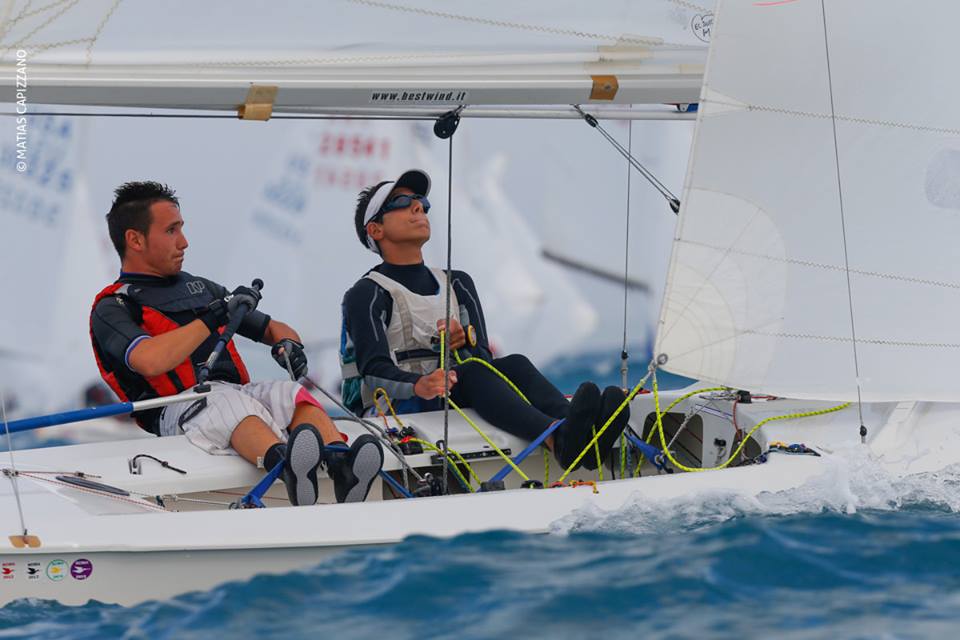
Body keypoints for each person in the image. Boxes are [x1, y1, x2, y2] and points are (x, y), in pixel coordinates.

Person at [90, 181, 384, 505]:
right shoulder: (113, 307)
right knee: (227, 403)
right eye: (171, 230)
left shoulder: (201, 289)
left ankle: (342, 466)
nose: (184, 242)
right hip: (175, 410)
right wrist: (213, 317)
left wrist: (289, 344)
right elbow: (150, 360)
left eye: (181, 228)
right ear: (135, 240)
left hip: (233, 395)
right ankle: (287, 469)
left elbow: (275, 328)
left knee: (288, 393)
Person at [340, 169, 630, 472]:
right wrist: (420, 385)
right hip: (398, 408)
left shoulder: (458, 283)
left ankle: (578, 434)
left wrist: (464, 342)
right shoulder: (367, 293)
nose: (419, 207)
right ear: (376, 230)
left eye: (421, 202)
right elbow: (373, 371)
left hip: (449, 395)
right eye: (402, 202)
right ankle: (558, 439)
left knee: (514, 363)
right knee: (473, 372)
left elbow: (482, 361)